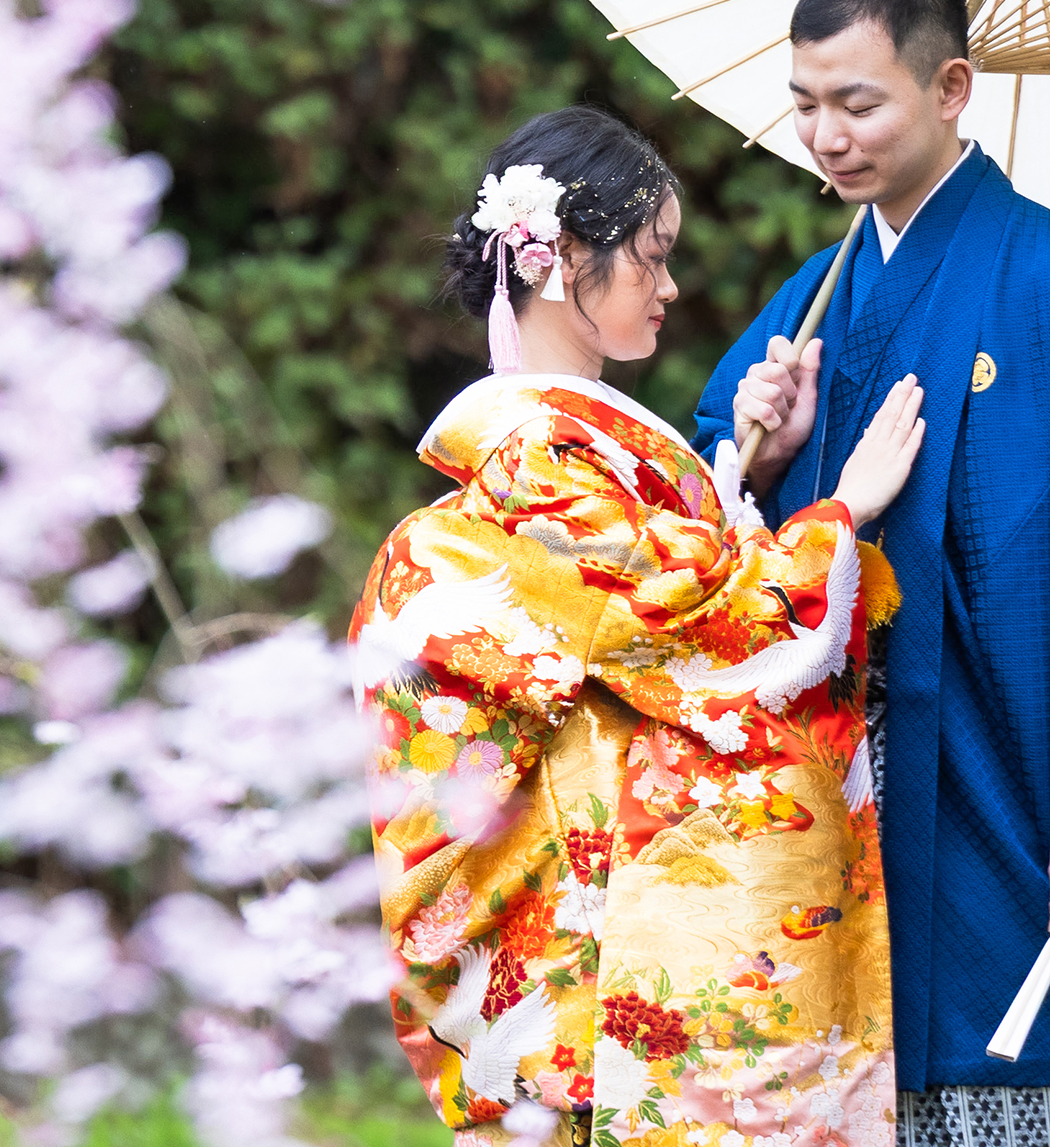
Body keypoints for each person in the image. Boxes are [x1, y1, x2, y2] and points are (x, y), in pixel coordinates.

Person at [691, 0, 1050, 1147]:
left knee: (1035, 1043)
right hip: (852, 790)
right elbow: (705, 505)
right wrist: (763, 449)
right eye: (804, 106)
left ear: (950, 89)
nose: (826, 137)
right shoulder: (810, 297)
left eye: (858, 103)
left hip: (1007, 770)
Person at [355, 105, 931, 1147]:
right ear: (563, 253)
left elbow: (638, 599)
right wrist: (838, 511)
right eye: (651, 257)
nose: (667, 286)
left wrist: (740, 474)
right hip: (579, 956)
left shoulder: (557, 462)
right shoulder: (537, 461)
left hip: (577, 941)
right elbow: (704, 626)